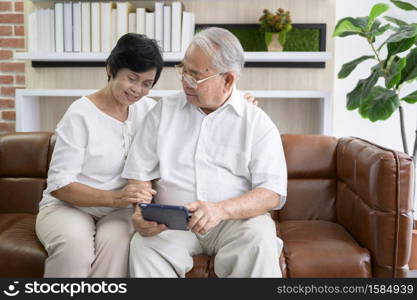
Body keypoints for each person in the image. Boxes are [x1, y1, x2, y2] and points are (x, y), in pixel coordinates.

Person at [35, 33, 257, 278]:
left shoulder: (149, 110)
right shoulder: (80, 114)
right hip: (70, 207)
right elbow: (59, 184)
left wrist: (239, 99)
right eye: (132, 78)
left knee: (120, 244)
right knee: (74, 247)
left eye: (146, 83)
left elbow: (207, 102)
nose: (137, 90)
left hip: (117, 213)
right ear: (111, 69)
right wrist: (116, 198)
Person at [123, 27, 288, 278]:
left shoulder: (257, 123)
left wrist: (220, 210)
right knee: (144, 246)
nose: (185, 81)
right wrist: (139, 210)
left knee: (259, 240)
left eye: (196, 76)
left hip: (235, 223)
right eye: (183, 71)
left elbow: (272, 193)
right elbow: (139, 174)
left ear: (228, 80)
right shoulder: (163, 111)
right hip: (174, 223)